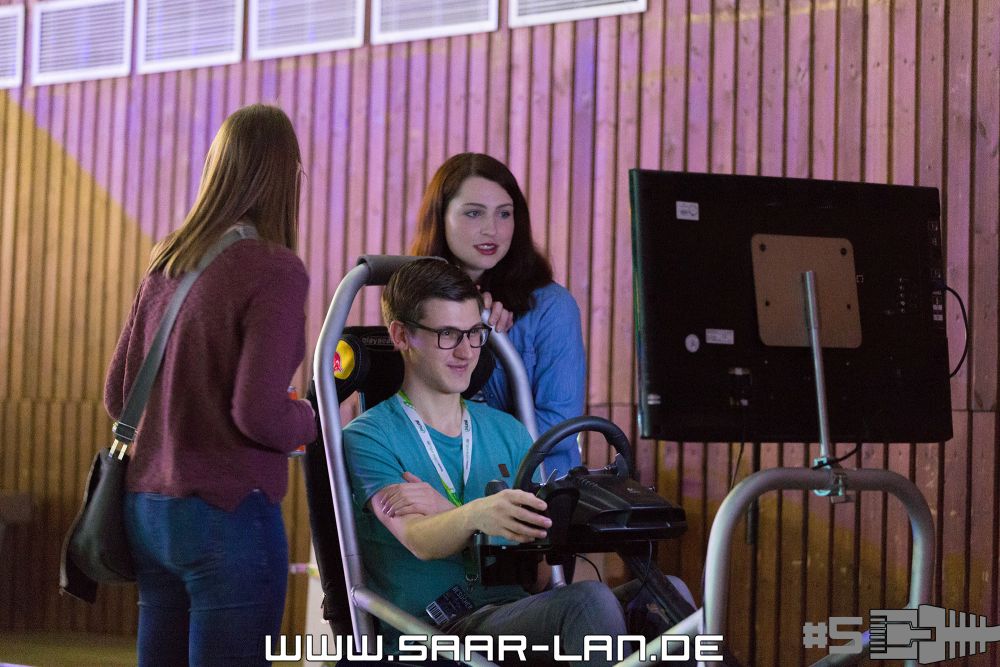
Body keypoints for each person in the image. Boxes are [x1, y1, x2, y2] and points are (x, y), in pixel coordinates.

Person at [104, 104, 317, 667]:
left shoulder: (168, 260)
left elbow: (117, 395)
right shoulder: (275, 268)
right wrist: (310, 419)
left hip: (148, 511)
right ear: (286, 177)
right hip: (228, 514)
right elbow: (258, 413)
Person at [343, 258, 626, 666]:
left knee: (663, 600)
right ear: (402, 335)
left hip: (514, 617)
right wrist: (477, 514)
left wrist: (455, 513)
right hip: (436, 636)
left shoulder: (508, 431)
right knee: (589, 603)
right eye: (447, 334)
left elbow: (540, 576)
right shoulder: (369, 436)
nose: (465, 352)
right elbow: (419, 538)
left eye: (475, 333)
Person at [410, 153, 586, 479]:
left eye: (504, 214)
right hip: (439, 482)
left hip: (534, 490)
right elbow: (408, 410)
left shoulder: (552, 307)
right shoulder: (412, 300)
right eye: (474, 213)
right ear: (441, 217)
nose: (491, 229)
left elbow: (558, 427)